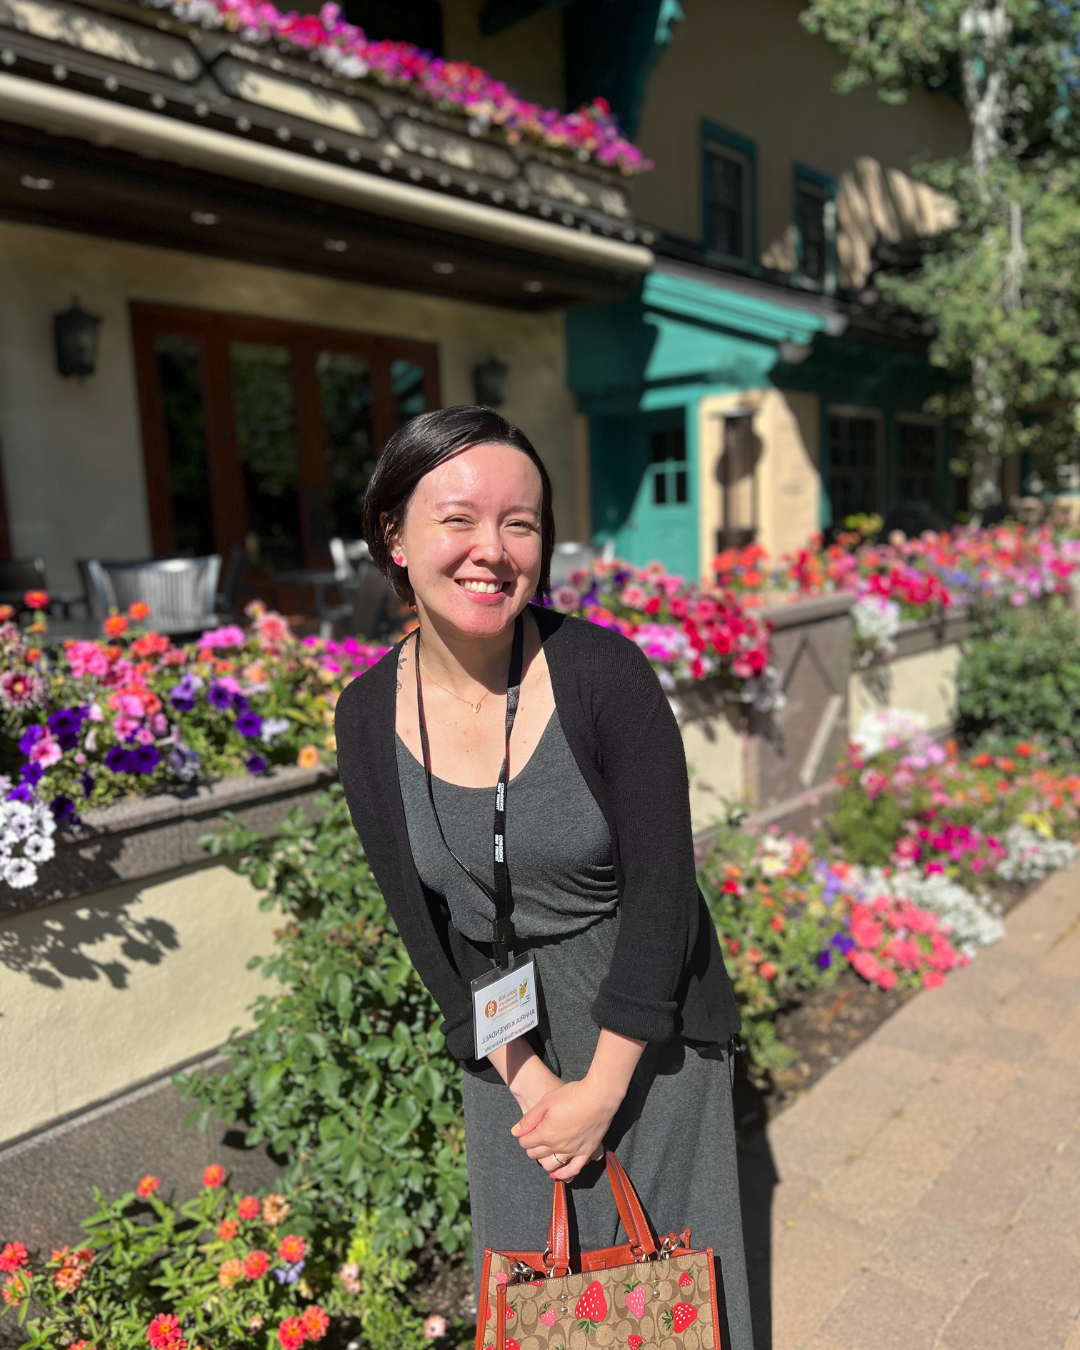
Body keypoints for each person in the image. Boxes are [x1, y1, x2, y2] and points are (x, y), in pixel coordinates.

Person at [335, 406, 752, 1350]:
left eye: (520, 523)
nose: (492, 548)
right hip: (507, 1040)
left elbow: (662, 894)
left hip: (646, 1030)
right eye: (459, 518)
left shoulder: (605, 676)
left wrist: (599, 1089)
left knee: (671, 1296)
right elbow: (427, 928)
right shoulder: (365, 717)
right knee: (539, 1300)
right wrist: (526, 1080)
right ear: (394, 536)